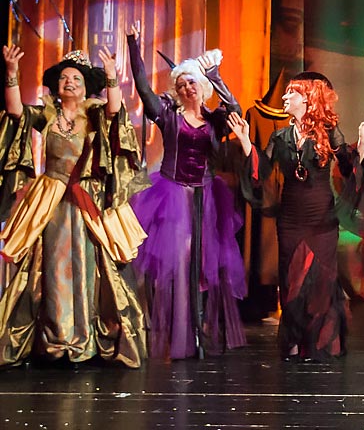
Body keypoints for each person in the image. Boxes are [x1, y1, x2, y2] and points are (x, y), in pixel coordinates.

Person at [0, 45, 149, 368]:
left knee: (90, 266)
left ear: (85, 86)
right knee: (49, 268)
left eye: (76, 79)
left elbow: (114, 110)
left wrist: (111, 77)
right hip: (51, 201)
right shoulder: (47, 115)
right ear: (57, 86)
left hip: (86, 198)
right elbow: (15, 112)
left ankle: (86, 337)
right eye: (64, 78)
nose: (69, 82)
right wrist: (11, 74)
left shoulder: (94, 113)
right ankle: (54, 337)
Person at [227, 72, 364, 361]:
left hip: (321, 218)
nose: (284, 97)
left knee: (321, 280)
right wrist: (245, 140)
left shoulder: (329, 133)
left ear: (308, 99)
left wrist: (362, 141)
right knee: (291, 279)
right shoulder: (280, 137)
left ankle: (318, 343)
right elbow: (261, 171)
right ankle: (294, 341)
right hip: (291, 218)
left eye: (291, 93)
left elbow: (351, 170)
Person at [126, 25, 247, 359]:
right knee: (179, 264)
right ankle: (179, 336)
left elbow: (235, 110)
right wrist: (134, 45)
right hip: (174, 195)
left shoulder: (214, 119)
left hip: (206, 196)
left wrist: (215, 75)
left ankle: (199, 331)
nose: (186, 88)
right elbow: (144, 89)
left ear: (201, 86)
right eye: (181, 85)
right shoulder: (167, 116)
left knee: (203, 265)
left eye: (191, 82)